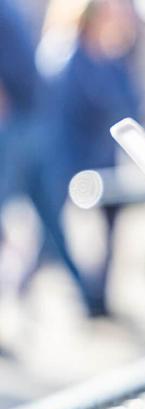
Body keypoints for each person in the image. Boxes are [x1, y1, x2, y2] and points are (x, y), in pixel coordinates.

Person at [38, 0, 141, 316]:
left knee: (109, 232)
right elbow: (60, 117)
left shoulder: (112, 61)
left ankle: (99, 298)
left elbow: (131, 107)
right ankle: (80, 295)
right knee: (56, 237)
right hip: (74, 163)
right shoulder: (66, 59)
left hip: (105, 162)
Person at [0, 0, 100, 316]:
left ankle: (88, 297)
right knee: (49, 221)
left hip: (22, 125)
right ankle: (88, 298)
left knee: (50, 222)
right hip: (26, 124)